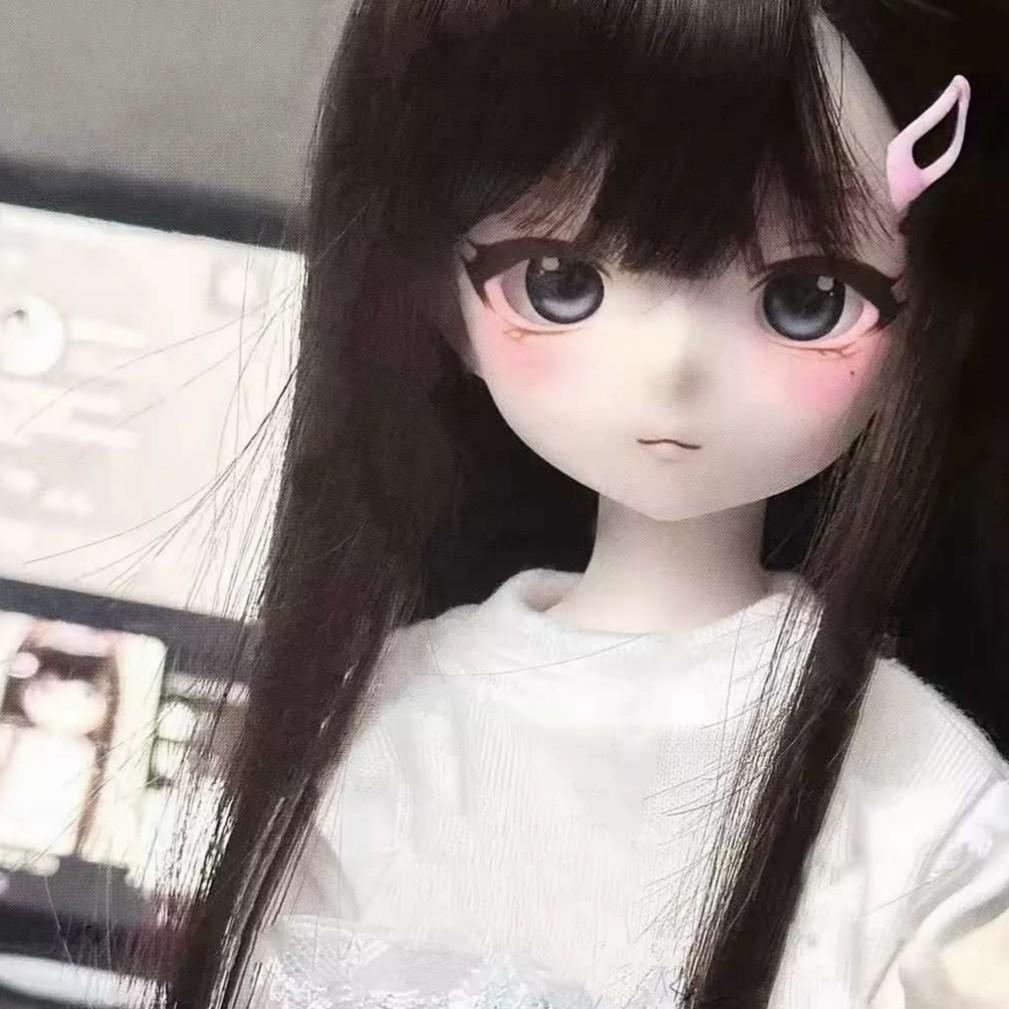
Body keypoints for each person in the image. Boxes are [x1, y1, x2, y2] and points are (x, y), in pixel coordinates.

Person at [136, 1, 1009, 1006]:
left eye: (804, 298)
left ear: (924, 323)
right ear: (440, 299)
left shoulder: (923, 794)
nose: (672, 366)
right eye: (560, 283)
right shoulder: (377, 723)